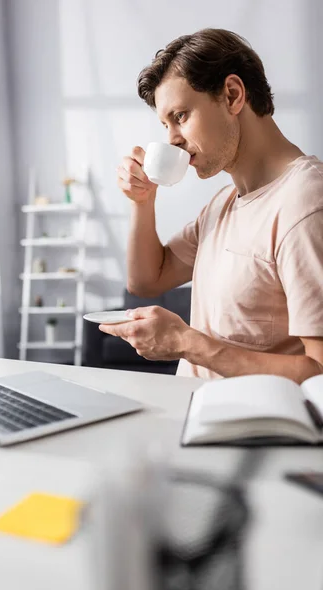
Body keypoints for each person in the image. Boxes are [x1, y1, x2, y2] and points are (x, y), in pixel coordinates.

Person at [99, 28, 323, 383]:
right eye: (165, 124)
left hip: (251, 433)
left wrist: (186, 342)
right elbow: (145, 280)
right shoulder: (223, 204)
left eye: (181, 116)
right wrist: (143, 202)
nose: (171, 139)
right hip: (194, 421)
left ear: (233, 95)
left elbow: (320, 371)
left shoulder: (307, 205)